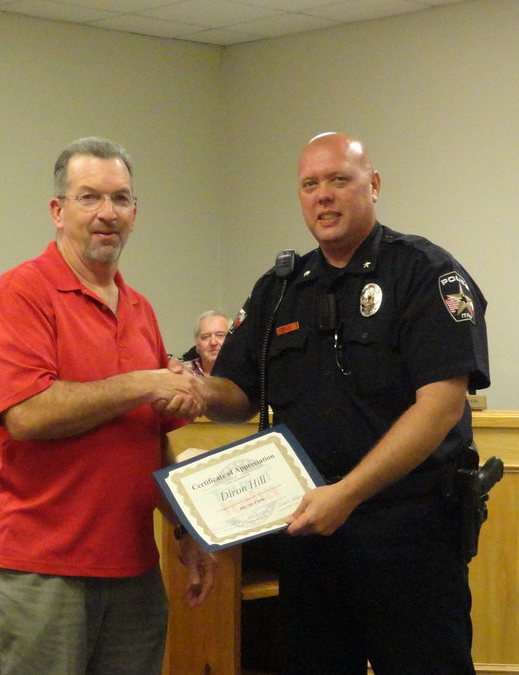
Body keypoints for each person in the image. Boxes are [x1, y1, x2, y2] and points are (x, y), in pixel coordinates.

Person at [204, 132, 489, 674]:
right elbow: (238, 394)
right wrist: (189, 389)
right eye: (310, 185)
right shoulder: (281, 288)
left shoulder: (424, 272)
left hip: (408, 535)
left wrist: (347, 495)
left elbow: (441, 405)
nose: (323, 196)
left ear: (374, 185)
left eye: (339, 180)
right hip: (310, 533)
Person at [0, 137, 215, 674]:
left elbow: (150, 441)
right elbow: (29, 414)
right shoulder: (20, 295)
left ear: (135, 213)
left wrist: (187, 529)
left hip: (133, 568)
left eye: (121, 199)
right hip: (43, 569)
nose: (107, 214)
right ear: (58, 212)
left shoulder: (139, 309)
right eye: (89, 198)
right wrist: (143, 382)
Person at [183, 310, 228, 376]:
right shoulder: (183, 373)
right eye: (206, 337)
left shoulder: (245, 372)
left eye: (220, 335)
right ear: (197, 346)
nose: (213, 342)